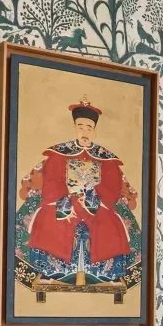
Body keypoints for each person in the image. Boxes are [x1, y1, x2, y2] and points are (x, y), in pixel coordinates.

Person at [20, 100, 138, 286]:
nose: (84, 131)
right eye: (80, 126)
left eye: (89, 128)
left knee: (109, 223)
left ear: (94, 130)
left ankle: (105, 274)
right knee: (49, 218)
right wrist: (69, 201)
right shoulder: (59, 153)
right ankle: (52, 272)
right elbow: (51, 181)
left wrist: (91, 199)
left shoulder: (106, 157)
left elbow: (112, 186)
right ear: (74, 127)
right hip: (63, 201)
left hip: (97, 202)